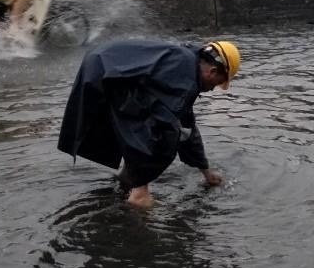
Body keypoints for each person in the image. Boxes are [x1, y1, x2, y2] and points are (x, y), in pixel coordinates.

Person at [58, 39, 241, 209]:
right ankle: (139, 196)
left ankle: (127, 182)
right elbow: (171, 128)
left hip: (104, 65)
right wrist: (147, 171)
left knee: (155, 128)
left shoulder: (187, 62)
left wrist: (205, 170)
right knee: (164, 138)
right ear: (213, 72)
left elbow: (187, 123)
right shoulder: (184, 78)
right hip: (107, 74)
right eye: (217, 84)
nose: (212, 89)